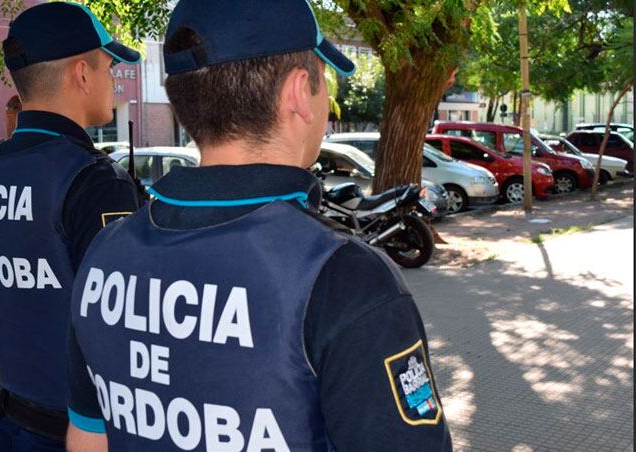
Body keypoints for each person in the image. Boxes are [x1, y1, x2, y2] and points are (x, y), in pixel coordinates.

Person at [66, 0, 452, 451]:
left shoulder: (105, 254)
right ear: (297, 91)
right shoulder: (345, 277)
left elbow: (87, 440)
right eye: (322, 83)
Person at [0, 2, 141, 450]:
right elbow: (121, 325)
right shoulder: (93, 180)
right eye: (108, 66)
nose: (112, 79)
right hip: (86, 432)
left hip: (12, 423)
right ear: (81, 74)